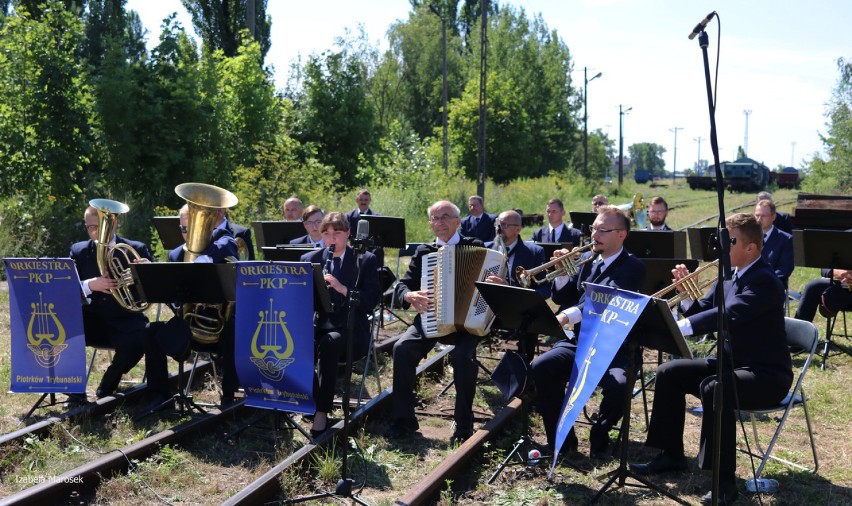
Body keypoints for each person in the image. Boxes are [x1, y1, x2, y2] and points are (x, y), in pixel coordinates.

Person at [630, 213, 793, 506]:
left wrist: (681, 327)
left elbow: (727, 316)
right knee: (668, 372)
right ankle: (671, 455)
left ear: (751, 248)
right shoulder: (728, 277)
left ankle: (724, 482)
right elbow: (701, 311)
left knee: (714, 388)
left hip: (766, 375)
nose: (721, 248)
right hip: (731, 364)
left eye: (728, 242)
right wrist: (685, 296)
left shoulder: (766, 281)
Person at [529, 207, 646, 458]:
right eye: (593, 229)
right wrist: (561, 273)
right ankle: (563, 440)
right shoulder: (589, 261)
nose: (595, 235)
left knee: (619, 385)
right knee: (541, 366)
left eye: (603, 230)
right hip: (581, 340)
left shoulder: (633, 267)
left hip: (614, 347)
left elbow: (603, 300)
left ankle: (600, 436)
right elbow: (563, 296)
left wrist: (565, 316)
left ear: (622, 235)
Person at [387, 200, 484, 443]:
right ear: (430, 223)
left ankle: (463, 426)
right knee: (401, 348)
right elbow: (403, 284)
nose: (439, 222)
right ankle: (404, 421)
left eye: (445, 217)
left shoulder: (476, 247)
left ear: (457, 221)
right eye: (435, 218)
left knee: (462, 357)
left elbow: (490, 283)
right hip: (430, 318)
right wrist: (408, 295)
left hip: (466, 322)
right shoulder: (424, 252)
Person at [146, 204, 240, 408]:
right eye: (183, 229)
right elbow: (173, 301)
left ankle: (229, 394)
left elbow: (229, 243)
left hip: (219, 327)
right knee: (151, 331)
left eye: (191, 229)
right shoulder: (176, 255)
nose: (186, 234)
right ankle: (159, 394)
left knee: (235, 330)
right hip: (189, 326)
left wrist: (205, 259)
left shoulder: (223, 241)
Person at [300, 212, 381, 437]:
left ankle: (321, 412)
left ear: (348, 233)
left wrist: (342, 288)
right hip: (320, 324)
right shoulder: (310, 259)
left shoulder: (365, 260)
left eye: (337, 233)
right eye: (326, 233)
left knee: (329, 343)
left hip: (351, 329)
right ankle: (312, 399)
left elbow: (372, 299)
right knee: (296, 343)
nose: (331, 238)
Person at [69, 205, 157, 405]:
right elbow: (66, 288)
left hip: (125, 318)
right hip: (91, 320)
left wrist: (147, 273)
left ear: (114, 223)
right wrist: (91, 285)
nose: (93, 232)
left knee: (142, 338)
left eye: (97, 227)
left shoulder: (136, 249)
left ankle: (107, 385)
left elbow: (153, 292)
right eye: (89, 227)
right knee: (65, 328)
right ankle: (74, 390)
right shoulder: (79, 251)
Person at [485, 210, 547, 361]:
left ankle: (523, 369)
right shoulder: (485, 248)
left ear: (518, 229)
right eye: (498, 224)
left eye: (504, 225)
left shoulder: (534, 252)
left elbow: (545, 290)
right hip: (487, 308)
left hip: (518, 310)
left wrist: (511, 290)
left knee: (532, 321)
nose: (499, 228)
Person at [755, 199, 794, 288]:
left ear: (773, 217)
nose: (759, 219)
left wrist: (763, 282)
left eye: (763, 216)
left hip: (771, 286)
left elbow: (784, 269)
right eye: (757, 215)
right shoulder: (748, 237)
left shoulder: (786, 239)